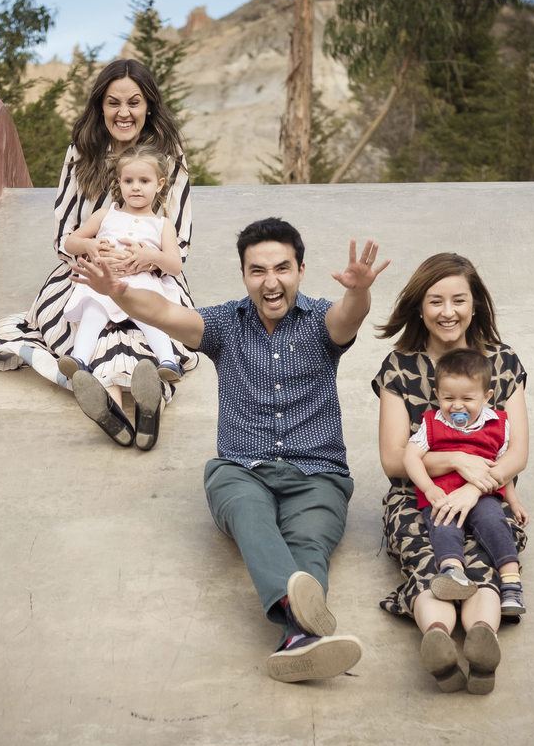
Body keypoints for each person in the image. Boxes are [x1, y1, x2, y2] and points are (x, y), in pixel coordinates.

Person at [71, 217, 390, 683]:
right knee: (249, 515)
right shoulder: (225, 324)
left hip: (318, 475)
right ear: (243, 275)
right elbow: (163, 312)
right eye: (258, 270)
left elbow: (349, 317)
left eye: (282, 268)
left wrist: (359, 292)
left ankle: (298, 641)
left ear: (301, 270)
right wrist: (118, 292)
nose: (271, 281)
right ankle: (301, 619)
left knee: (309, 546)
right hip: (241, 469)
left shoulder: (321, 322)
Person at [0, 59, 198, 444]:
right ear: (100, 106)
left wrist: (146, 259)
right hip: (86, 269)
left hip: (153, 273)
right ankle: (114, 411)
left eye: (134, 102)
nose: (123, 112)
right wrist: (93, 252)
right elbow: (64, 235)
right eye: (113, 103)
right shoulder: (81, 152)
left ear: (149, 106)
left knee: (148, 331)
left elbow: (179, 241)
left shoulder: (169, 155)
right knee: (85, 326)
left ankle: (148, 406)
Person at [373, 252, 529, 695]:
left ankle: (481, 638)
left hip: (488, 492)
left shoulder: (502, 362)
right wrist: (457, 461)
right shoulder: (399, 367)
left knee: (483, 557)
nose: (448, 312)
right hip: (416, 495)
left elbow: (516, 452)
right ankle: (438, 640)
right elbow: (393, 459)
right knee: (432, 561)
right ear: (419, 307)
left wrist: (474, 489)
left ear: (475, 304)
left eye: (458, 300)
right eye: (435, 301)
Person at [59, 145, 185, 449]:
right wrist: (90, 246)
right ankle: (79, 358)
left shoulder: (162, 224)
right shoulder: (106, 214)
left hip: (141, 282)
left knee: (150, 316)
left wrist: (151, 256)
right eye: (128, 181)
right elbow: (71, 242)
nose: (136, 187)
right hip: (106, 279)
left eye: (144, 181)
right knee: (93, 308)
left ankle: (167, 361)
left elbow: (175, 265)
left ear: (160, 184)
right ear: (119, 182)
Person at [403, 347, 529, 615]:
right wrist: (428, 487)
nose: (457, 406)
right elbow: (410, 456)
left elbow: (502, 467)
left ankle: (511, 583)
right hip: (443, 495)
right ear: (437, 394)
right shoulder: (432, 423)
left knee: (495, 523)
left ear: (487, 396)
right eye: (448, 398)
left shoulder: (497, 424)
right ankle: (453, 572)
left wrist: (514, 501)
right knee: (443, 526)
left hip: (482, 493)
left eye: (467, 398)